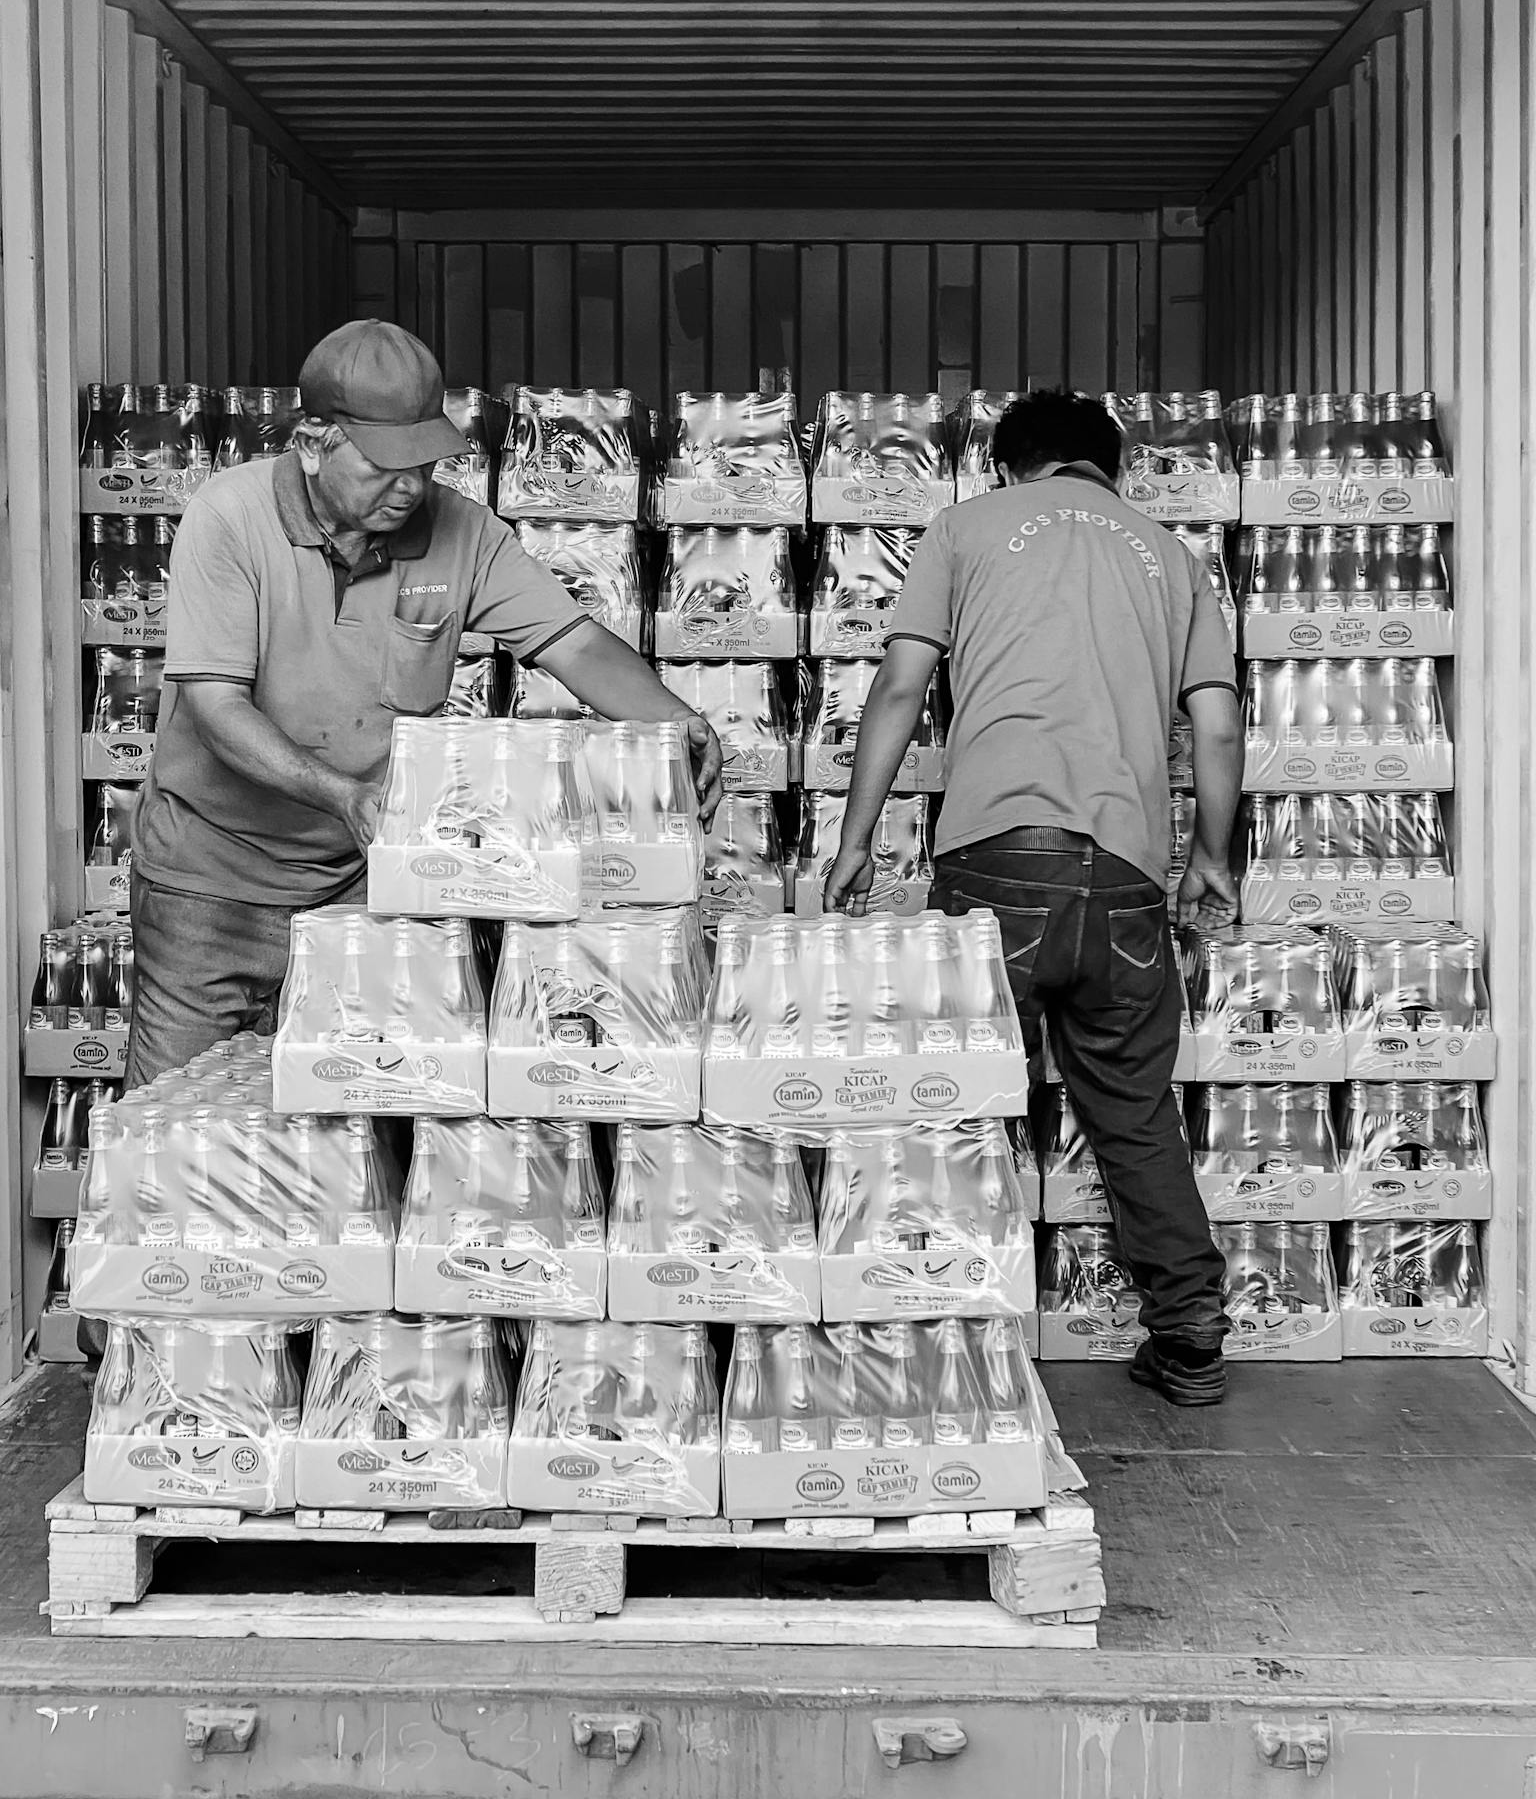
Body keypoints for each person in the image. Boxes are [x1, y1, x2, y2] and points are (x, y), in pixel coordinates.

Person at [126, 319, 722, 1090]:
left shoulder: (461, 532)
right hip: (208, 884)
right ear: (312, 442)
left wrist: (675, 720)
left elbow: (575, 644)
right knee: (174, 1121)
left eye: (427, 463)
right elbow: (215, 705)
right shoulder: (230, 516)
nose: (410, 488)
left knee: (343, 1123)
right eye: (386, 465)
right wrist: (343, 795)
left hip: (359, 885)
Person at [823, 389, 1242, 1407]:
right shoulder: (1171, 557)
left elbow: (901, 686)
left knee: (959, 1105)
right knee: (1134, 1109)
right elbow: (1218, 724)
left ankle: (942, 1333)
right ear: (1112, 468)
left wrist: (855, 835)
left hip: (995, 859)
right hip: (1129, 871)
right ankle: (1188, 1330)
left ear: (1010, 466)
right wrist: (1214, 857)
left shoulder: (965, 526)